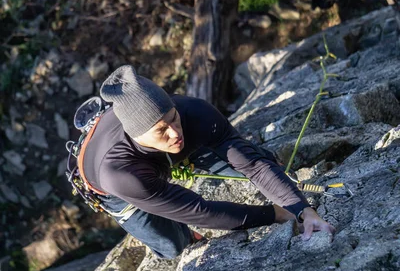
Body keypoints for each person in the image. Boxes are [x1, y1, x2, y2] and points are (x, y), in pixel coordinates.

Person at [77, 65, 334, 259]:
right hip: (109, 185)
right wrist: (276, 214)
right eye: (162, 129)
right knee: (171, 245)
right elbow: (200, 211)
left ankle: (166, 156)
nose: (175, 132)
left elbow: (252, 165)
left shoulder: (193, 112)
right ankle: (177, 228)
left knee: (254, 158)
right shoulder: (120, 174)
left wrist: (301, 209)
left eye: (173, 118)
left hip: (157, 153)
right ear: (137, 133)